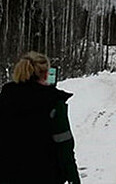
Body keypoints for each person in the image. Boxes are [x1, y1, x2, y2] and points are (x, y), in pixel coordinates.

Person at [0, 52, 81, 184]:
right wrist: (73, 178)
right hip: (44, 175)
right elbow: (64, 148)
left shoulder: (4, 99)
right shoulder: (53, 103)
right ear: (44, 74)